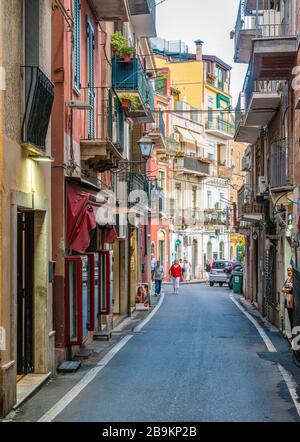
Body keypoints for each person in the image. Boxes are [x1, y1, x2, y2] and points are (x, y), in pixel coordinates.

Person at [282, 266, 294, 334]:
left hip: (293, 302)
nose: (289, 272)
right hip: (288, 302)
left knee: (293, 318)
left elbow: (293, 290)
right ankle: (292, 333)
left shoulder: (294, 280)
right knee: (290, 318)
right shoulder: (287, 279)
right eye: (288, 270)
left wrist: (287, 290)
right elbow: (282, 289)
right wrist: (288, 290)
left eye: (290, 270)